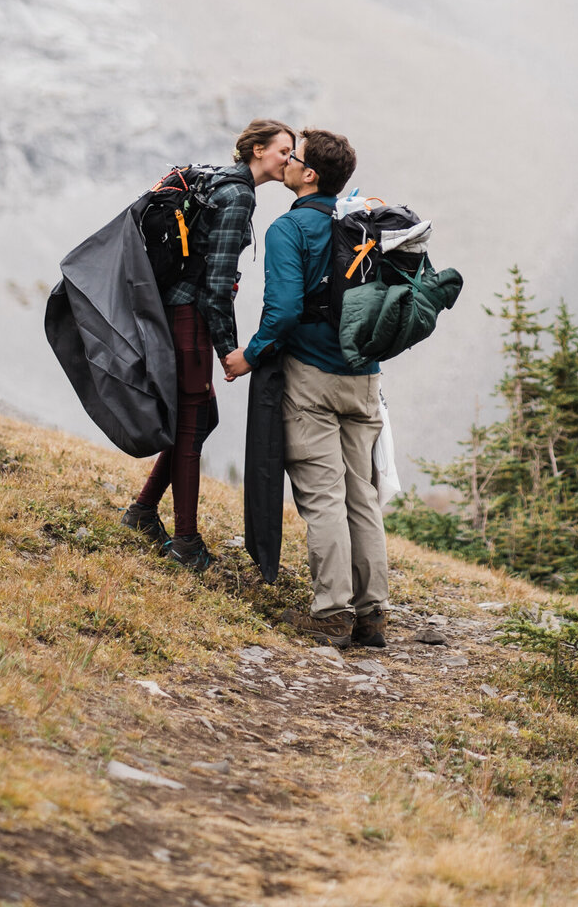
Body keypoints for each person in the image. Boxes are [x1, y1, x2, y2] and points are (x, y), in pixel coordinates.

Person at [223, 128, 388, 650]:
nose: (287, 163)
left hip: (312, 379)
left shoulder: (288, 229)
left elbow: (286, 309)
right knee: (362, 495)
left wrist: (247, 355)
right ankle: (372, 613)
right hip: (365, 377)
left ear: (309, 174)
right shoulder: (360, 222)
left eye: (294, 158)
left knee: (322, 498)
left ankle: (331, 611)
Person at [122, 118, 294, 570]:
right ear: (257, 150)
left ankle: (143, 512)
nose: (289, 160)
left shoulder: (222, 181)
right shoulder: (237, 195)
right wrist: (229, 351)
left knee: (197, 417)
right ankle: (185, 542)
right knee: (193, 418)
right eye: (283, 151)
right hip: (190, 318)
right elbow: (217, 284)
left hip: (177, 309)